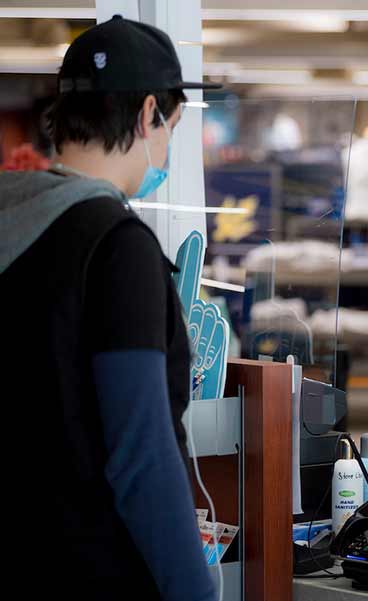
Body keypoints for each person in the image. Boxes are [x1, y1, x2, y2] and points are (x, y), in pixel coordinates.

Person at [0, 16, 218, 600]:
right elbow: (141, 458)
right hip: (94, 570)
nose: (166, 146)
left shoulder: (14, 218)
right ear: (149, 114)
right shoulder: (116, 246)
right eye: (170, 128)